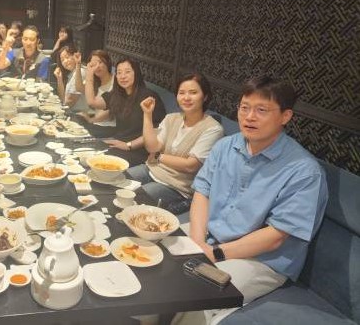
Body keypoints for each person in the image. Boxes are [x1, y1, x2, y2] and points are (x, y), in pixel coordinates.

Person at [174, 76, 328, 325]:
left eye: (261, 110)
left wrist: (214, 253)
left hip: (260, 260)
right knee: (154, 259)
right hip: (210, 238)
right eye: (244, 107)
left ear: (285, 116)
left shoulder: (304, 171)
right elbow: (202, 192)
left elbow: (276, 236)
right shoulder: (225, 147)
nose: (249, 117)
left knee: (196, 296)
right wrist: (198, 241)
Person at [126, 73, 224, 213]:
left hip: (176, 186)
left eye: (193, 92)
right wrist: (147, 115)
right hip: (151, 170)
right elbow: (152, 147)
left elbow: (190, 166)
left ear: (205, 97)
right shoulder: (171, 118)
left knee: (134, 198)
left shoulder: (213, 129)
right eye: (181, 93)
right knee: (119, 180)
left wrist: (158, 156)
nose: (186, 97)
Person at [84, 57, 166, 166]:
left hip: (139, 150)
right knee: (87, 152)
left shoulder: (148, 97)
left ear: (136, 74)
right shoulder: (118, 95)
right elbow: (92, 102)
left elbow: (157, 131)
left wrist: (129, 145)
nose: (123, 76)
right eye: (119, 73)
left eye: (127, 72)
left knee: (97, 161)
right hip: (119, 143)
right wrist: (89, 74)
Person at [74, 50, 116, 131]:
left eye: (100, 62)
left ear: (107, 63)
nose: (97, 67)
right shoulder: (94, 80)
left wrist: (91, 120)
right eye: (93, 64)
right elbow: (79, 88)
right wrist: (78, 65)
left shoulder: (115, 81)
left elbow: (110, 110)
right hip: (94, 122)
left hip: (108, 126)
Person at [53, 45, 88, 112]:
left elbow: (69, 102)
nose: (65, 61)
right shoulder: (71, 73)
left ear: (75, 56)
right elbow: (63, 99)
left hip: (80, 114)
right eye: (62, 60)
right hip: (71, 112)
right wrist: (59, 79)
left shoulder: (80, 72)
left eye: (67, 57)